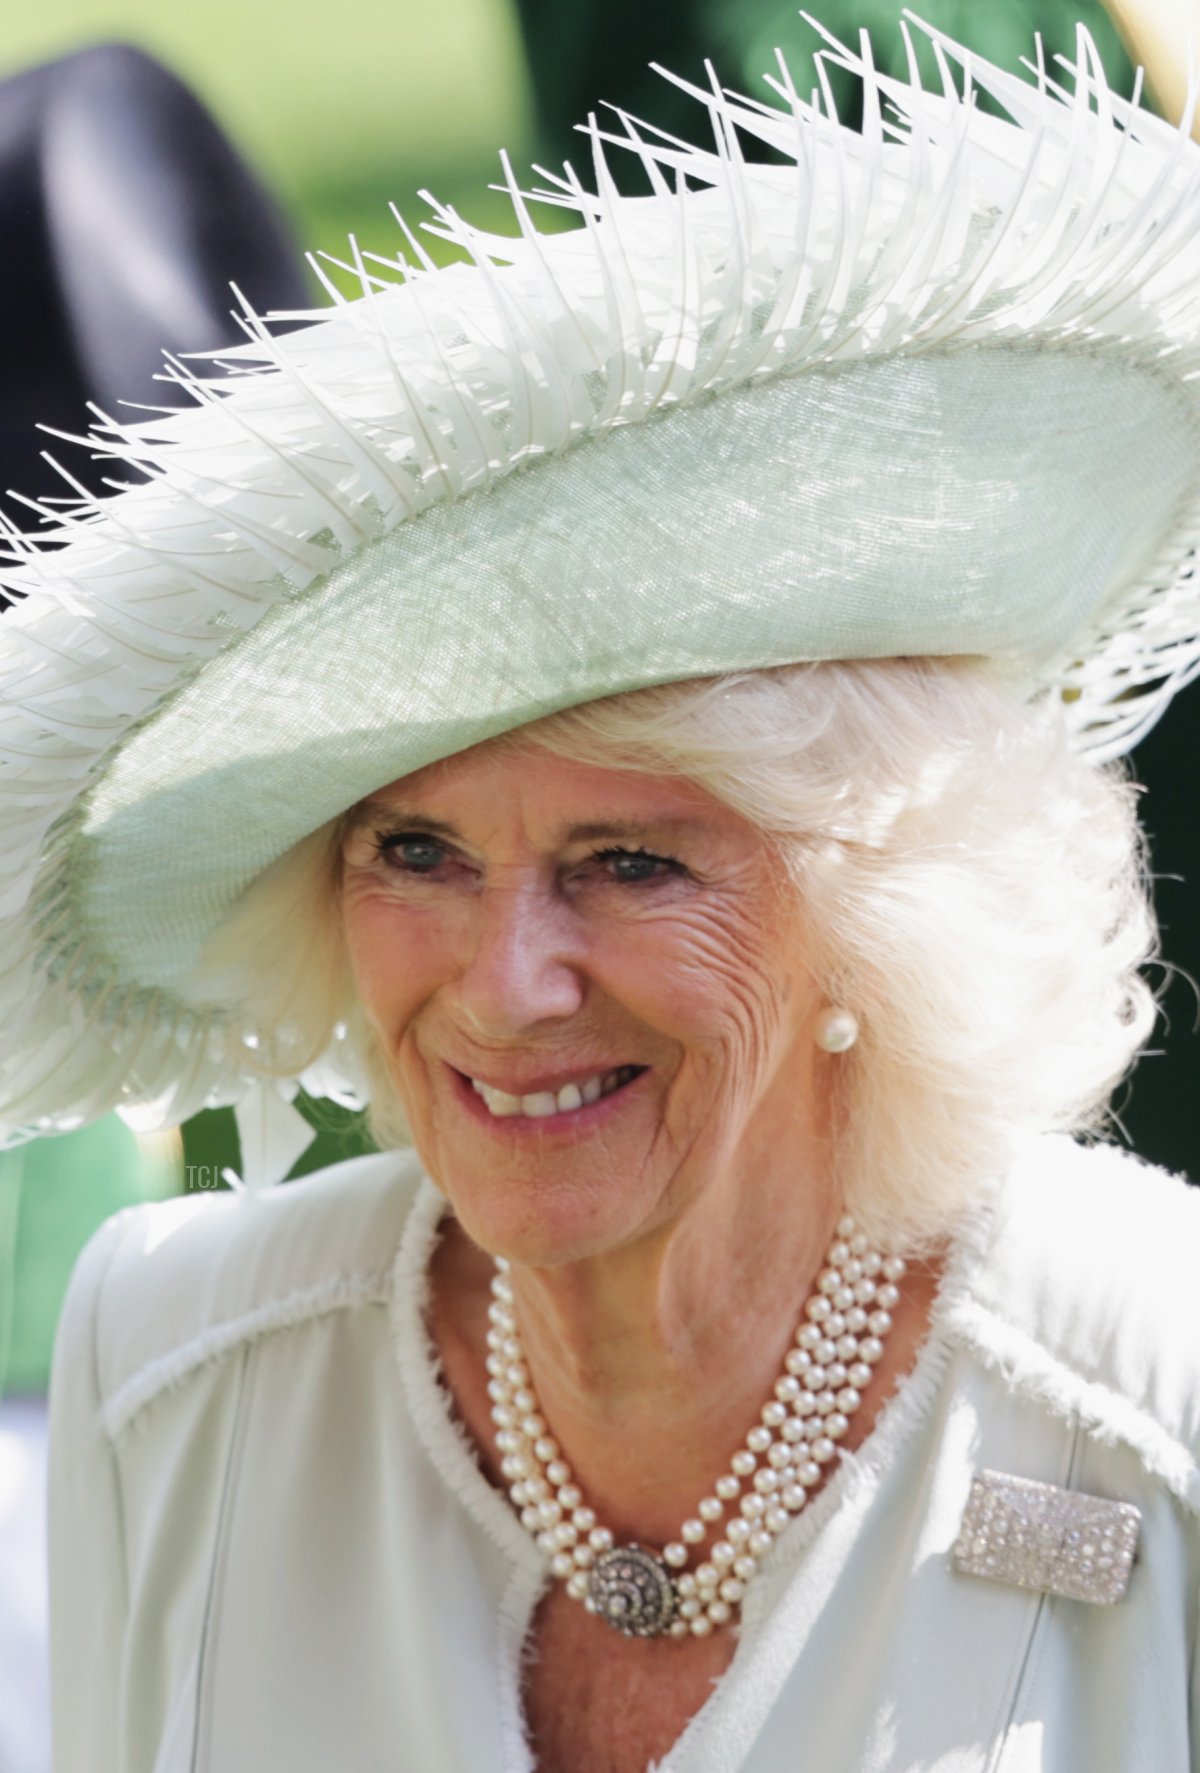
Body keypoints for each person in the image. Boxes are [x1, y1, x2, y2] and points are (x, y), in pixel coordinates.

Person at [1, 18, 1198, 1772]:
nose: (504, 983)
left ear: (868, 898)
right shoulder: (176, 1372)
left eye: (628, 863)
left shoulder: (1152, 1396)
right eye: (415, 850)